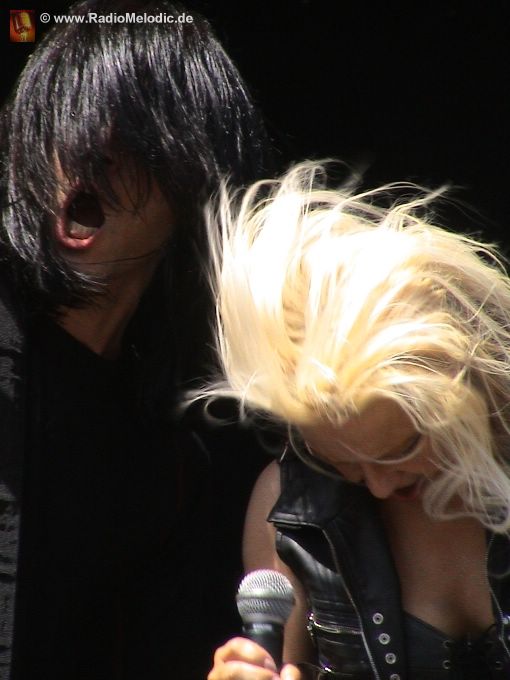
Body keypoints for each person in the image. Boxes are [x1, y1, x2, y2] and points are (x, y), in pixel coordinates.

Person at [0, 1, 268, 678]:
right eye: (65, 124)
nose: (87, 156)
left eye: (129, 139)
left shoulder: (176, 458)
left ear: (190, 178)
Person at [204, 162, 510, 679]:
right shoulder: (290, 509)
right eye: (341, 463)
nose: (380, 485)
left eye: (401, 448)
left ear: (467, 388)